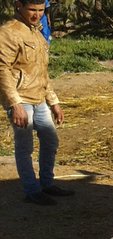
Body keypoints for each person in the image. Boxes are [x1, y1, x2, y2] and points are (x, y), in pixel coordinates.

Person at [0, 0, 73, 205]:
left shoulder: (37, 31)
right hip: (21, 99)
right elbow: (2, 70)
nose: (37, 14)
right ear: (18, 5)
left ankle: (47, 184)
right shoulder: (8, 32)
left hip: (39, 98)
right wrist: (15, 104)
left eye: (41, 10)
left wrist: (54, 102)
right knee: (25, 147)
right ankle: (32, 191)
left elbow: (41, 73)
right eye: (32, 9)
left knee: (50, 140)